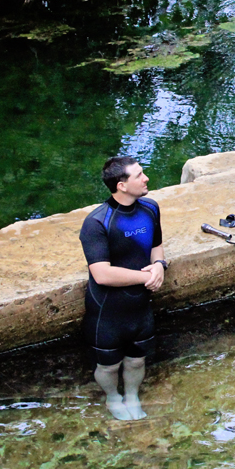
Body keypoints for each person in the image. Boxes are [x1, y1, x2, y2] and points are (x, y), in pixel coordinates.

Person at [79, 156, 167, 420]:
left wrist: (160, 265)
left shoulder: (150, 209)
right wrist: (145, 278)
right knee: (108, 366)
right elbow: (102, 274)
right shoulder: (97, 223)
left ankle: (132, 395)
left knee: (137, 360)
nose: (146, 178)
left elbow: (156, 246)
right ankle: (112, 397)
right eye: (139, 175)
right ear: (121, 186)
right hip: (108, 310)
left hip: (140, 307)